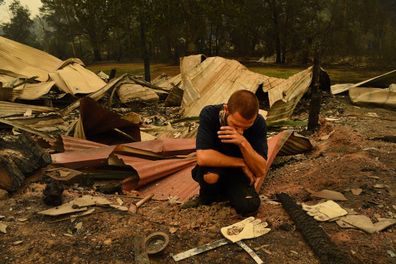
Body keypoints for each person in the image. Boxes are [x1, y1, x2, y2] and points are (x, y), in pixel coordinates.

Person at [185, 89, 268, 216]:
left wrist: (242, 142)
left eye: (246, 127)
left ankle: (231, 192)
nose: (240, 131)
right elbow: (202, 157)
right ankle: (209, 196)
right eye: (235, 125)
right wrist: (242, 163)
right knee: (210, 177)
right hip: (216, 167)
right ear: (226, 109)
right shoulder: (210, 114)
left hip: (238, 174)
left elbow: (260, 170)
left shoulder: (259, 123)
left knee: (249, 206)